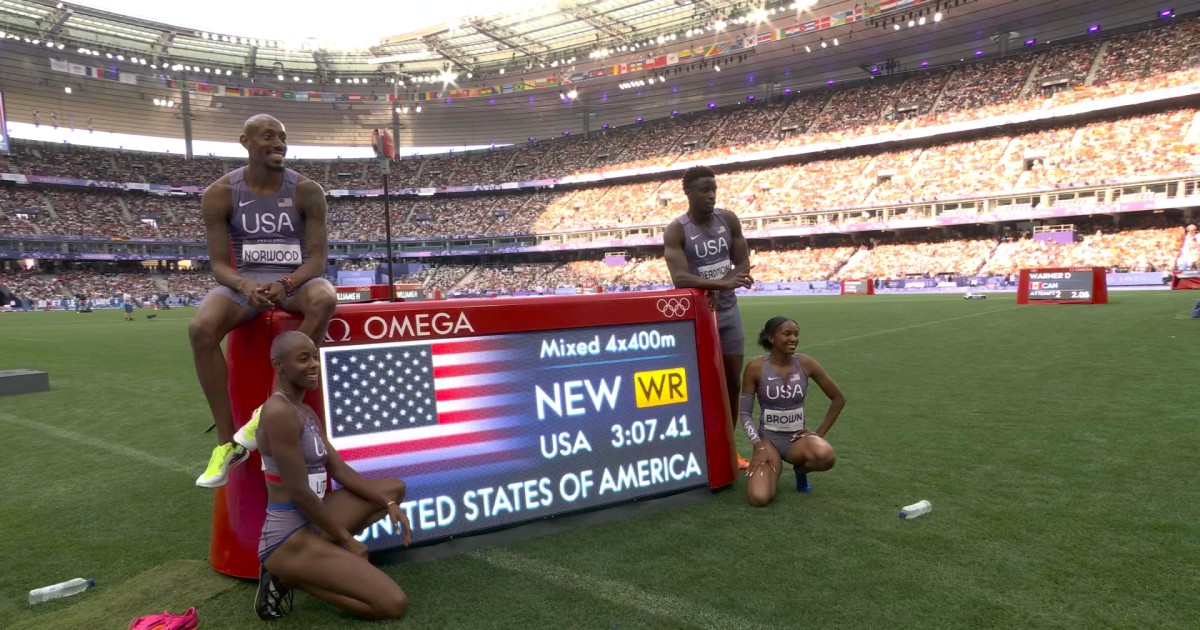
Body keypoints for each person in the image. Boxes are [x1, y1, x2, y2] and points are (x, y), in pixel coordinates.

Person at [190, 114, 337, 488]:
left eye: (283, 137)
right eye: (268, 136)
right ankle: (227, 444)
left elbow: (318, 260)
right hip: (247, 285)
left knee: (325, 297)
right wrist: (244, 285)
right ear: (245, 142)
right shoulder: (220, 193)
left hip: (296, 281)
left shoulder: (307, 190)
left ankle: (269, 410)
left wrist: (287, 283)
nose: (279, 143)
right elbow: (220, 265)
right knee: (200, 329)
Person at [254, 331, 411, 621]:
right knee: (393, 604)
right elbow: (299, 492)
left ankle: (301, 569)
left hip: (314, 520)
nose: (314, 364)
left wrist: (388, 505)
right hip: (290, 535)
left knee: (393, 489)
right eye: (304, 358)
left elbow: (338, 469)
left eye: (315, 356)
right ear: (278, 364)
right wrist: (346, 540)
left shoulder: (305, 411)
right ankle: (290, 577)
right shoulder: (277, 412)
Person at [663, 165, 755, 470]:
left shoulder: (728, 220)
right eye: (704, 190)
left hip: (727, 313)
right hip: (695, 317)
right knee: (697, 383)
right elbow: (680, 277)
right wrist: (722, 283)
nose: (711, 195)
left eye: (714, 189)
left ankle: (726, 449)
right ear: (688, 192)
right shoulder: (677, 229)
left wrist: (728, 280)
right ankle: (693, 446)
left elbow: (743, 263)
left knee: (732, 382)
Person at [740, 317, 846, 507]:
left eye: (796, 334)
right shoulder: (755, 367)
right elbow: (745, 413)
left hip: (797, 439)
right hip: (768, 440)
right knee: (759, 498)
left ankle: (801, 471)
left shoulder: (806, 363)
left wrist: (818, 434)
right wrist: (759, 446)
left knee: (826, 456)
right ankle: (772, 471)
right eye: (787, 334)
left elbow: (838, 399)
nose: (794, 338)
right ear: (771, 338)